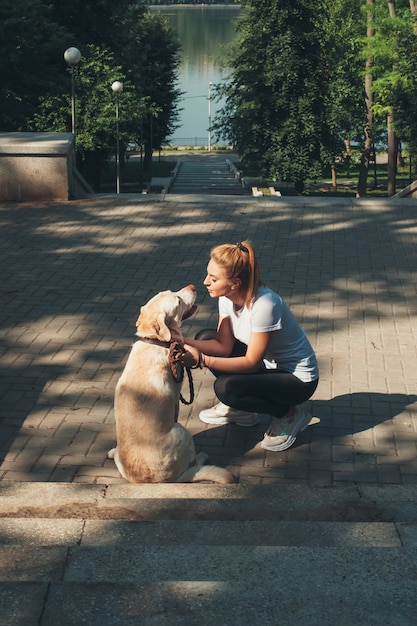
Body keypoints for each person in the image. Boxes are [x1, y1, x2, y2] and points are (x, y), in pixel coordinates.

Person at [181, 240, 319, 452]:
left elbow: (252, 363)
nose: (205, 282)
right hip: (269, 367)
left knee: (226, 389)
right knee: (205, 336)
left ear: (235, 283)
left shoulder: (265, 304)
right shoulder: (226, 297)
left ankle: (289, 414)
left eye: (213, 278)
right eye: (208, 274)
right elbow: (223, 346)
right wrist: (180, 341)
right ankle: (243, 410)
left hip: (297, 380)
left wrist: (201, 360)